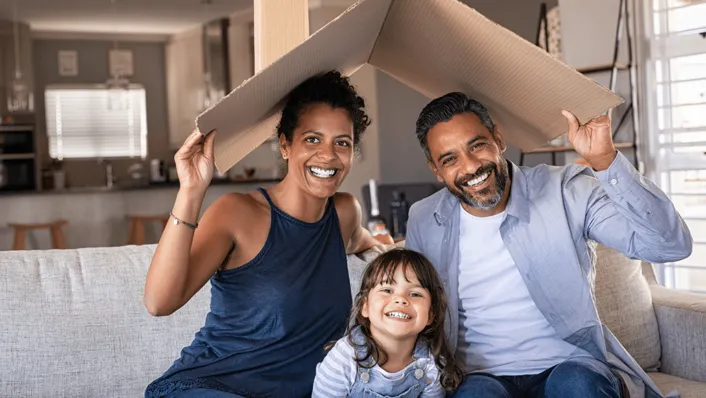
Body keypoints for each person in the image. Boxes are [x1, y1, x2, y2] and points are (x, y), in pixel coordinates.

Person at [405, 92, 692, 398]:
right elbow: (415, 307)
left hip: (569, 366)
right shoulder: (423, 218)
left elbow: (670, 246)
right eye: (450, 159)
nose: (471, 166)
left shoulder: (566, 190)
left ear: (498, 139)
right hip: (478, 376)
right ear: (436, 169)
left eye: (477, 146)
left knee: (576, 385)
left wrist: (605, 162)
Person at [143, 70, 392, 398]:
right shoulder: (237, 212)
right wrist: (190, 191)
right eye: (312, 139)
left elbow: (360, 240)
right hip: (207, 386)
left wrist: (387, 246)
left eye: (342, 143)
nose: (328, 155)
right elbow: (159, 303)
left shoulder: (344, 212)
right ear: (286, 145)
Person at [312, 248, 463, 397]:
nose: (401, 299)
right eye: (387, 290)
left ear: (430, 315)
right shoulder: (344, 358)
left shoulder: (431, 364)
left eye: (415, 294)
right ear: (365, 306)